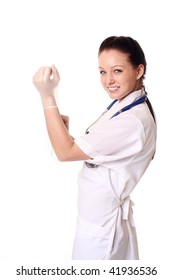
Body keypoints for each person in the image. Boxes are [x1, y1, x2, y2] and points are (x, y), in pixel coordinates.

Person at [32, 36, 157, 260]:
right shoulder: (124, 105)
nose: (108, 80)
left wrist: (47, 95)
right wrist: (64, 135)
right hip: (96, 223)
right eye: (102, 71)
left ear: (139, 70)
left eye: (117, 71)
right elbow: (97, 153)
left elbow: (65, 152)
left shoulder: (132, 121)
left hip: (102, 233)